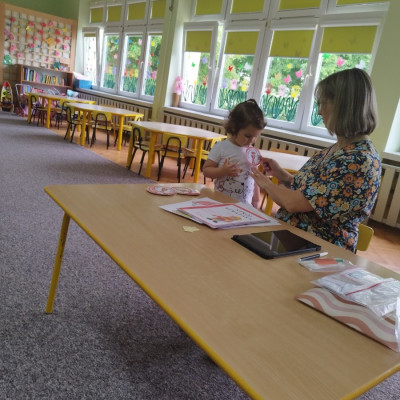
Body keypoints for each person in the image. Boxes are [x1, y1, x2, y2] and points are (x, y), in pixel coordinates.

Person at [251, 68, 381, 252]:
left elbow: (294, 203)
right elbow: (311, 191)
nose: (320, 112)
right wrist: (281, 175)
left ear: (342, 107)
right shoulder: (340, 148)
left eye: (323, 104)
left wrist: (264, 182)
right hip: (294, 238)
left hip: (319, 249)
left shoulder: (358, 160)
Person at [203, 99, 266, 207]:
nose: (252, 140)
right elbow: (206, 170)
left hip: (244, 206)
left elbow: (253, 177)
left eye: (255, 136)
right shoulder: (221, 147)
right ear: (234, 128)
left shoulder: (253, 153)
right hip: (221, 203)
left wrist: (256, 200)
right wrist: (223, 171)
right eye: (247, 136)